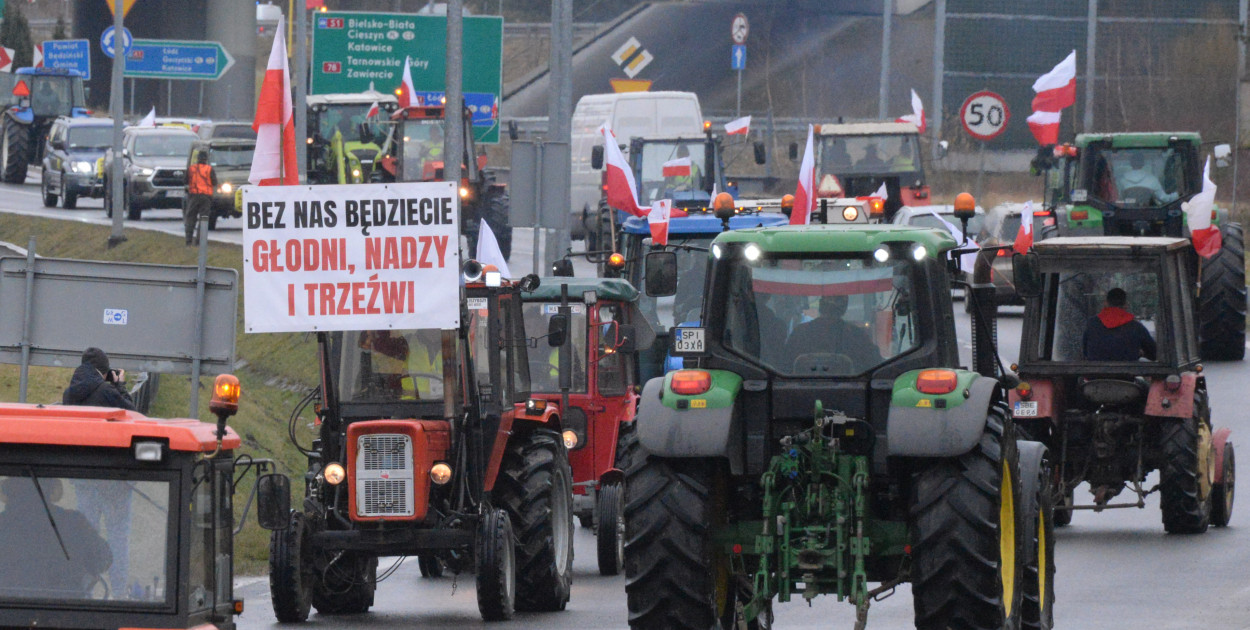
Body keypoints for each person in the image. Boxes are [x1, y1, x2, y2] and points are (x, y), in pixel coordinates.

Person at [0, 476, 113, 598]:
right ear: (52, 490)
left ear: (7, 491)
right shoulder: (74, 523)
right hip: (65, 613)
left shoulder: (2, 524)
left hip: (7, 613)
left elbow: (103, 560)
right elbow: (103, 560)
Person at [783, 294, 882, 371]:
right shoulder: (857, 335)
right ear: (844, 308)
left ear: (821, 305)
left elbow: (784, 365)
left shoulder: (800, 332)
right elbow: (875, 364)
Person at [1083, 288, 1157, 361]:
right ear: (1125, 305)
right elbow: (1153, 354)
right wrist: (1139, 353)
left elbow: (1085, 352)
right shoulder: (1136, 327)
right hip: (1129, 372)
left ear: (1105, 303)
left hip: (1096, 372)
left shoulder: (1092, 324)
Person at [63, 347, 136, 410]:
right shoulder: (106, 391)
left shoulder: (68, 393)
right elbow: (131, 411)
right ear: (103, 370)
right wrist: (120, 386)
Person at [185, 151, 217, 245]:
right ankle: (199, 241)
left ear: (197, 158)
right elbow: (214, 182)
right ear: (206, 159)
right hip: (206, 197)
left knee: (190, 218)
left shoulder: (191, 169)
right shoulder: (209, 169)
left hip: (193, 196)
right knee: (204, 218)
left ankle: (188, 240)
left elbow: (185, 181)